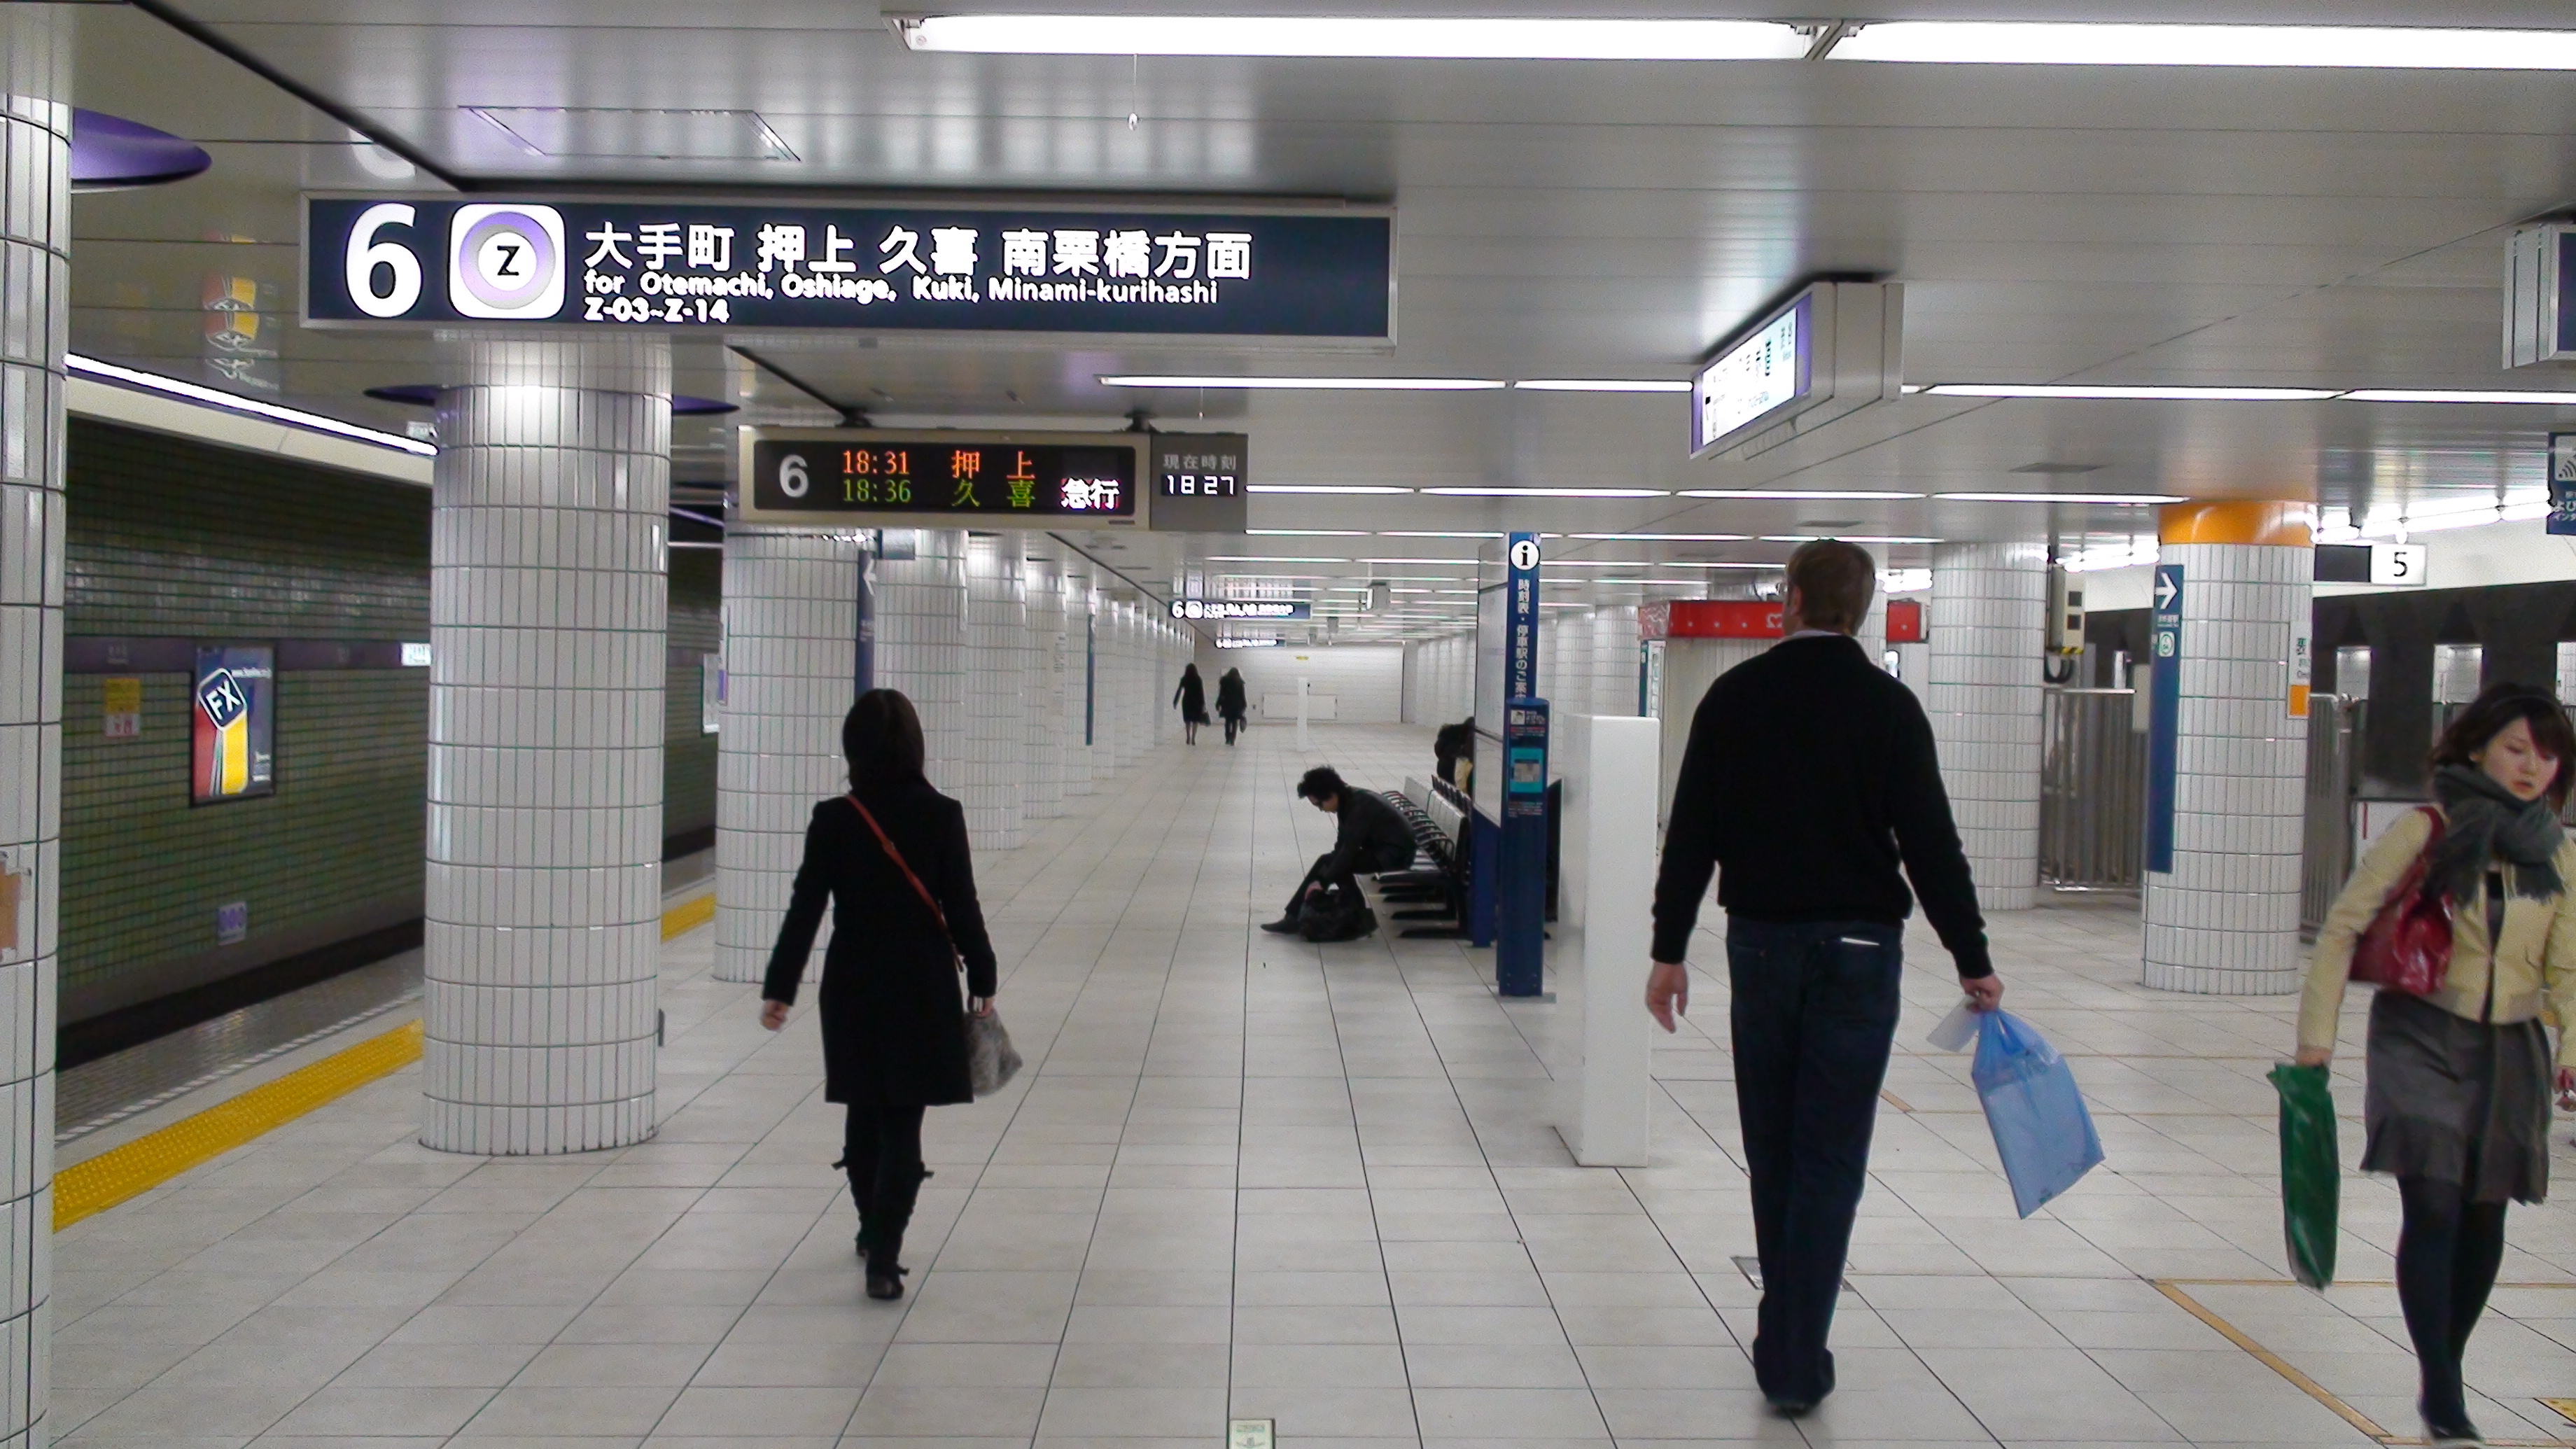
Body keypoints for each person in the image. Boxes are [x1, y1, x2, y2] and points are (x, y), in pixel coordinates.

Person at [1645, 539, 2002, 1416]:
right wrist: (1971, 957)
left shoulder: (1734, 697)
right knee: (1829, 1154)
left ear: (1792, 600)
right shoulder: (1889, 706)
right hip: (1860, 952)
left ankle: (1786, 1339)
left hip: (1761, 944)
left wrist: (1668, 948)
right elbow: (1929, 843)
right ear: (1863, 608)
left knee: (1772, 1147)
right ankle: (1793, 1351)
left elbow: (1691, 832)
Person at [2300, 682, 2576, 1446]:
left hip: (2511, 1048)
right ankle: (2446, 1396)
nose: (2531, 766)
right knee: (2432, 1205)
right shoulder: (2423, 830)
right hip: (2419, 1033)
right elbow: (2342, 927)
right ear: (2477, 748)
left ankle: (2441, 1372)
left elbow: (2568, 968)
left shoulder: (2556, 853)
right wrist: (2315, 1038)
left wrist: (2572, 1051)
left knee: (2484, 1214)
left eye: (2547, 755)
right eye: (2516, 748)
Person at [760, 689, 999, 1303]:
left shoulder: (835, 818)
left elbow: (806, 908)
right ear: (916, 746)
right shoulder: (941, 814)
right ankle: (884, 1259)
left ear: (854, 748)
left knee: (863, 1111)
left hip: (854, 985)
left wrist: (780, 987)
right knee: (903, 1120)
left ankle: (872, 1226)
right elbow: (961, 904)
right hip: (921, 985)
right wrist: (983, 975)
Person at [1262, 764, 1418, 934]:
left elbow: (1349, 849)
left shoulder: (1359, 806)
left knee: (1340, 864)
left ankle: (1356, 916)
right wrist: (1323, 877)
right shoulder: (1349, 801)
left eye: (1320, 804)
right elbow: (1343, 843)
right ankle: (1295, 916)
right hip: (1384, 851)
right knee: (1330, 861)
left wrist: (1323, 882)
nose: (1321, 809)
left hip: (1395, 855)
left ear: (1331, 793)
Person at [1173, 662, 1210, 745]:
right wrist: (1203, 703)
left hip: (1187, 702)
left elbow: (1179, 690)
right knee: (1195, 721)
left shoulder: (1184, 679)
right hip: (1197, 702)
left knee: (1188, 720)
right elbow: (1201, 692)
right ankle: (1193, 738)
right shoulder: (1198, 679)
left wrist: (1175, 701)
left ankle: (1188, 737)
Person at [1217, 667, 1249, 746]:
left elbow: (1221, 694)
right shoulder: (1240, 682)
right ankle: (1233, 739)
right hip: (1237, 705)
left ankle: (1228, 738)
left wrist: (1218, 704)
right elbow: (1242, 695)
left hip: (1227, 704)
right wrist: (1244, 705)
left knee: (1228, 722)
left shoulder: (1224, 681)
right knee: (1235, 722)